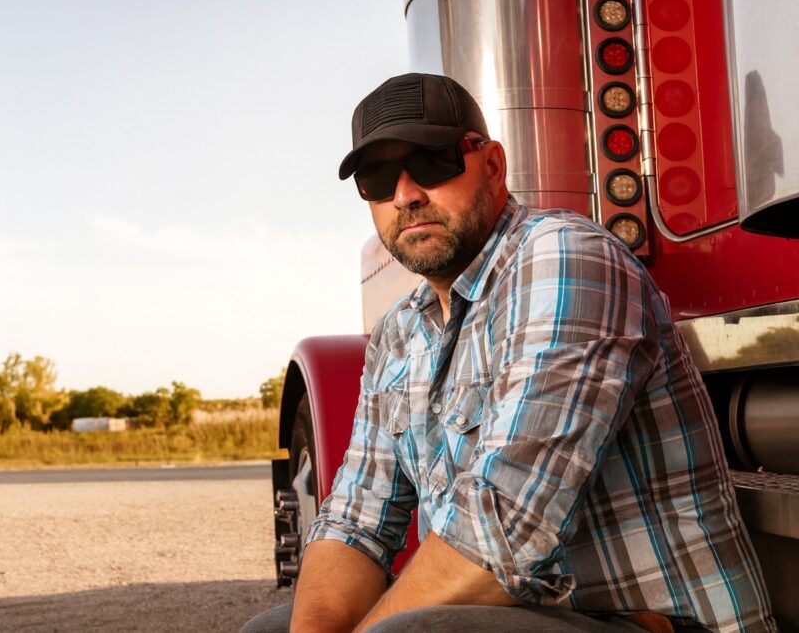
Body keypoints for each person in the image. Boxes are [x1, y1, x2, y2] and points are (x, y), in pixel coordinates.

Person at [241, 73, 776, 633]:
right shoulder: (399, 331)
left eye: (432, 161)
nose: (405, 195)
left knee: (417, 631)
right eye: (376, 179)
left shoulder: (564, 259)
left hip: (658, 621)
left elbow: (502, 537)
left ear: (492, 165)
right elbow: (355, 519)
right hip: (525, 612)